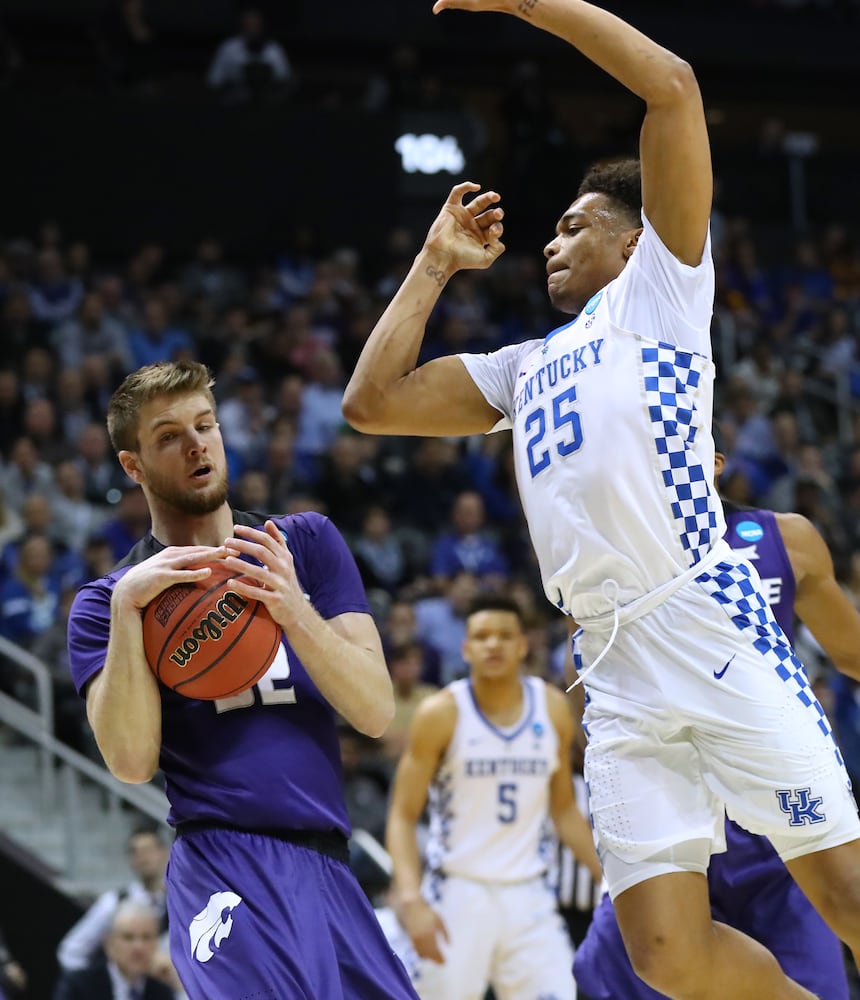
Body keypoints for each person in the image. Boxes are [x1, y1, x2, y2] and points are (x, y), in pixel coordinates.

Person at [341, 2, 860, 997]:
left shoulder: (661, 290)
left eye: (573, 225)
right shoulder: (521, 366)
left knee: (839, 887)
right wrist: (434, 264)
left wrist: (529, 5)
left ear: (632, 243)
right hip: (610, 666)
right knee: (664, 955)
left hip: (701, 617)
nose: (549, 241)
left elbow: (670, 85)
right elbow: (372, 403)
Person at [66, 360, 418, 1000]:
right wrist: (128, 615)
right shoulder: (107, 603)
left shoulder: (303, 544)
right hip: (224, 863)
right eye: (170, 435)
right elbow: (129, 760)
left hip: (329, 869)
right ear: (132, 466)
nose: (197, 444)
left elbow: (375, 712)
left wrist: (291, 607)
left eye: (205, 425)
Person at [574, 428, 860, 1000]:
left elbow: (852, 651)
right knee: (628, 966)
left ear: (716, 463)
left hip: (773, 815)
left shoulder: (785, 537)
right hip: (669, 806)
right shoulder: (608, 555)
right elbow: (587, 678)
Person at [386, 594, 602, 999]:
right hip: (456, 893)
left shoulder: (551, 708)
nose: (493, 644)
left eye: (504, 635)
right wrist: (411, 898)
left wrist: (609, 879)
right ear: (465, 648)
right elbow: (402, 814)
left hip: (531, 894)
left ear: (523, 645)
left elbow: (564, 811)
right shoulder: (441, 713)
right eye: (481, 636)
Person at [57, 824, 170, 975]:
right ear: (131, 860)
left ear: (164, 853)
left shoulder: (179, 903)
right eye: (137, 852)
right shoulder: (114, 902)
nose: (144, 858)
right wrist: (93, 986)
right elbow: (71, 951)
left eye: (149, 850)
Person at [53, 901, 175, 1000]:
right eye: (128, 937)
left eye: (146, 937)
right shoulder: (79, 986)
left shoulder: (162, 992)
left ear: (156, 944)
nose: (139, 946)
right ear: (109, 945)